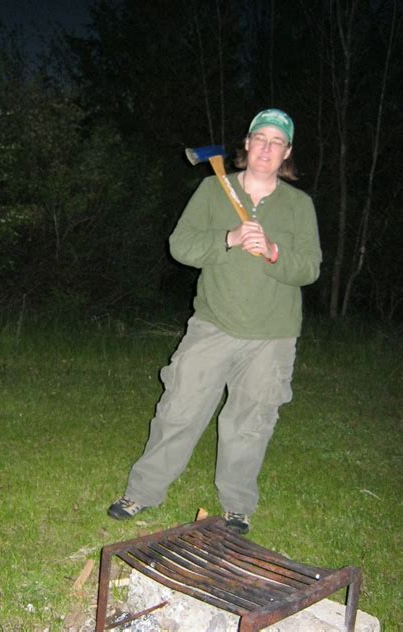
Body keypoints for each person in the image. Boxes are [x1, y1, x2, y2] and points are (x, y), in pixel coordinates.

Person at [108, 108, 322, 534]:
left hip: (273, 335)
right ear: (246, 144)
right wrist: (229, 239)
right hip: (213, 324)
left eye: (276, 142)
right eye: (259, 138)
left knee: (251, 421)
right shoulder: (212, 189)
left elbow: (310, 268)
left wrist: (275, 252)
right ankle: (143, 491)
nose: (266, 147)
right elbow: (180, 246)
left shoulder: (300, 206)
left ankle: (237, 504)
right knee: (179, 410)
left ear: (287, 152)